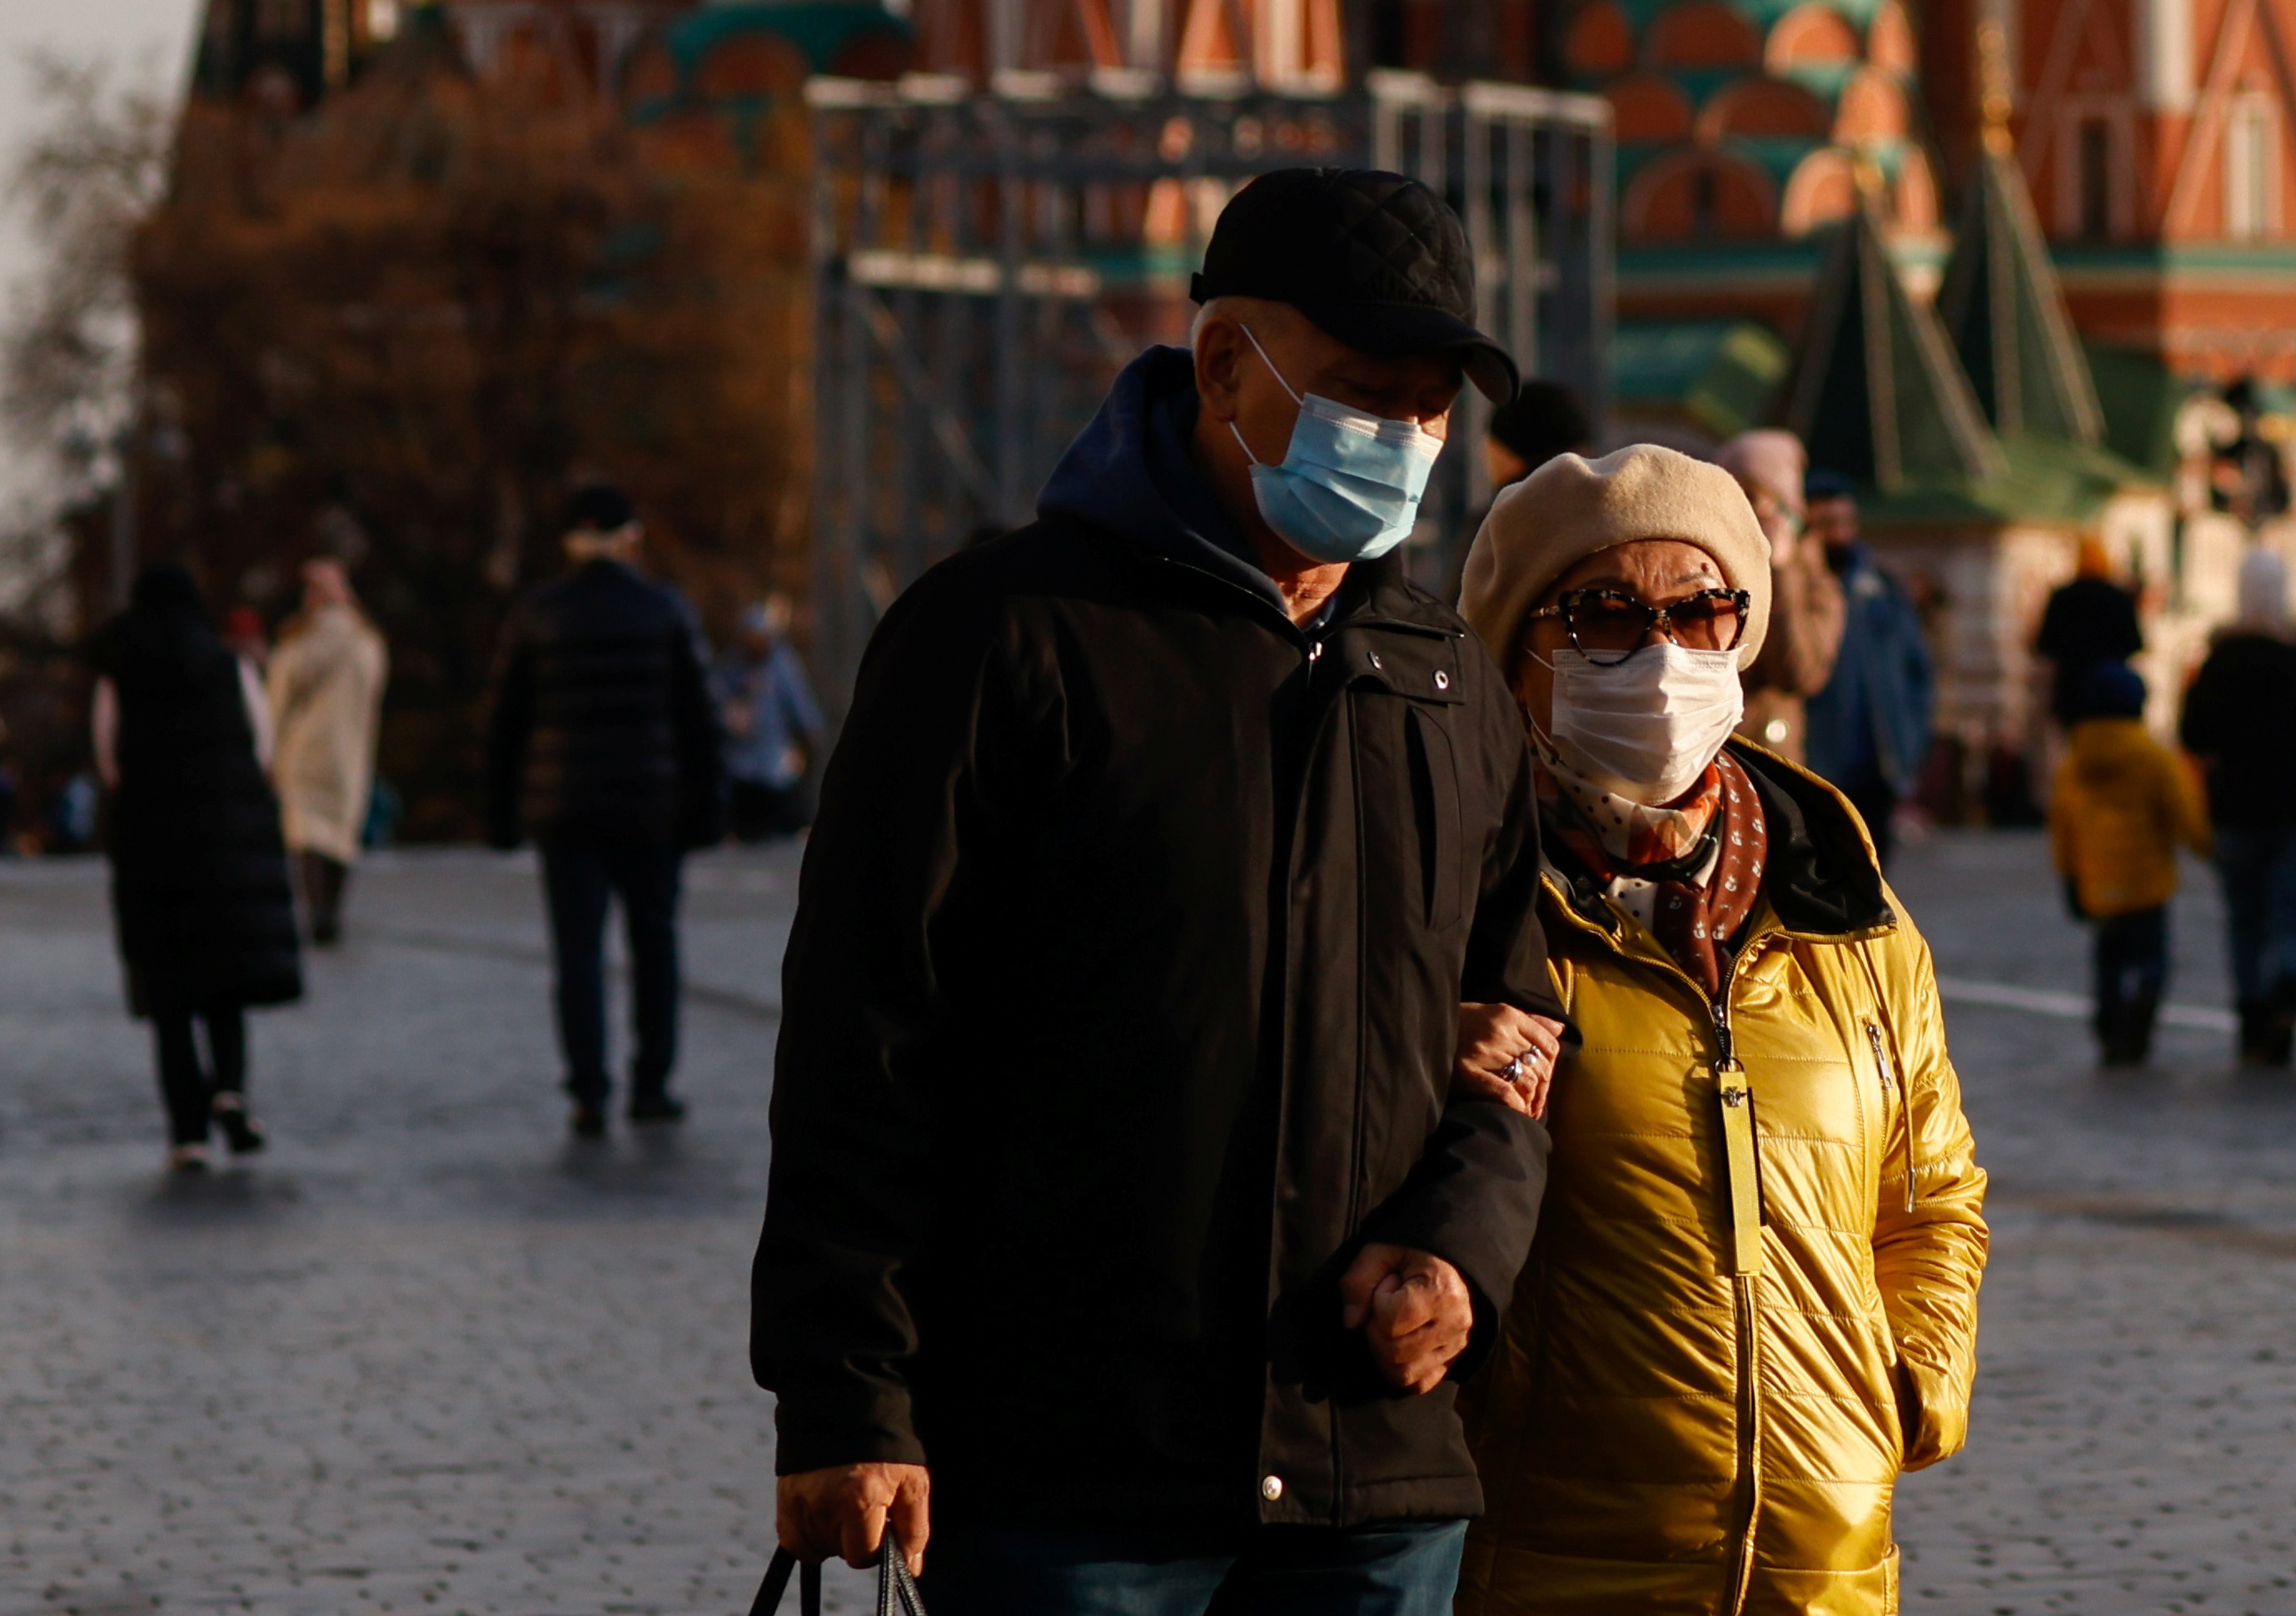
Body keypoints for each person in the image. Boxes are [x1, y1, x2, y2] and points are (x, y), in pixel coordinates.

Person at [758, 166, 1570, 1612]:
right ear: (1220, 365)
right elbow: (866, 1039)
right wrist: (847, 1397)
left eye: (1431, 406)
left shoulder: (1448, 684)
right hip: (1075, 1479)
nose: (1403, 438)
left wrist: (1458, 1249)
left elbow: (1511, 1028)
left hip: (1368, 1478)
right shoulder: (1003, 638)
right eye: (1363, 392)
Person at [1453, 442, 1988, 1613]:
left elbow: (1933, 1190)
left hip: (1825, 1562)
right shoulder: (1460, 897)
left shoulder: (1842, 898)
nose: (1661, 654)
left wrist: (1910, 1382)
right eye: (1604, 614)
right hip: (1556, 1561)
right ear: (1519, 651)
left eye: (1702, 610)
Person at [484, 480, 725, 1134]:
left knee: (578, 955)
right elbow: (699, 720)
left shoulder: (536, 614)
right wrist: (707, 811)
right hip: (652, 807)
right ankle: (653, 1084)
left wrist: (503, 816)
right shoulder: (665, 610)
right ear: (629, 539)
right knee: (655, 944)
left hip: (565, 811)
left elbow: (505, 721)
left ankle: (588, 1090)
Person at [87, 563, 302, 1168]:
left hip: (153, 845)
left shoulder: (119, 670)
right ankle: (231, 1091)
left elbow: (109, 758)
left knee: (170, 995)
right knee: (225, 984)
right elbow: (261, 746)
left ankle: (187, 1131)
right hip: (225, 844)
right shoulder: (229, 666)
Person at [2178, 544, 2296, 1063]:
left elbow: (2192, 731)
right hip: (2295, 808)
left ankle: (2252, 1011)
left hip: (2234, 806)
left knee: (2244, 916)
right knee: (2291, 913)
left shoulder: (2220, 660)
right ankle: (2289, 980)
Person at [2046, 655, 2204, 1064]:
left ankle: (2108, 1023)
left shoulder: (2073, 761)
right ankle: (2142, 1012)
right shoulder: (2153, 756)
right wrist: (2209, 848)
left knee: (2108, 960)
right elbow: (2183, 811)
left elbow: (2063, 825)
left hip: (2098, 883)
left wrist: (2069, 876)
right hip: (2147, 882)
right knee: (2152, 958)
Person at [261, 556, 388, 947]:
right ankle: (332, 909)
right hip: (349, 750)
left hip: (303, 749)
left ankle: (317, 912)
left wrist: (269, 746)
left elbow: (277, 698)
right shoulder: (366, 642)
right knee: (341, 834)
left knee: (308, 834)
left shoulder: (300, 642)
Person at [1804, 487, 1938, 851]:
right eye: (1826, 523)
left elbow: (1917, 670)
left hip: (1881, 761)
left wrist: (1911, 740)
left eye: (1845, 522)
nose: (1838, 533)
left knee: (1876, 876)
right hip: (1818, 760)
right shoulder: (1798, 589)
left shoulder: (1882, 587)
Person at [1716, 431, 1845, 761]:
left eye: (1751, 497)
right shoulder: (1715, 565)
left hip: (1770, 759)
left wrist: (1781, 571)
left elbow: (1797, 673)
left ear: (1784, 507)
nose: (1740, 510)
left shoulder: (1816, 583)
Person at [2029, 533, 2143, 773]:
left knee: (2077, 754)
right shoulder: (2119, 598)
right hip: (2113, 692)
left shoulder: (2063, 597)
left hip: (2072, 690)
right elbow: (2134, 643)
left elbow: (2045, 644)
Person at [715, 597, 824, 844]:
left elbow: (798, 701)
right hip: (739, 761)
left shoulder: (782, 664)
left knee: (779, 820)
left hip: (773, 761)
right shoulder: (732, 665)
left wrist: (809, 730)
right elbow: (717, 702)